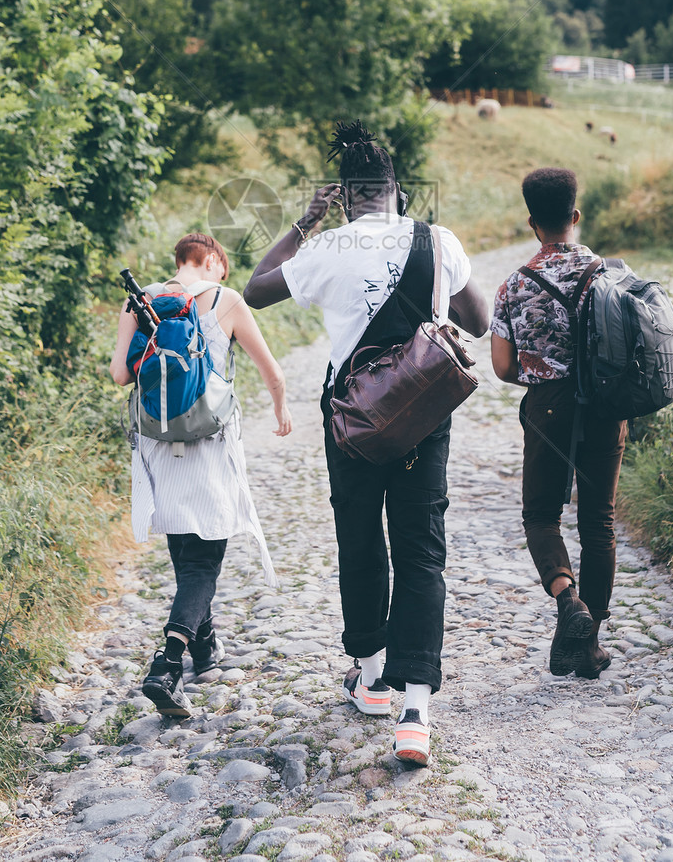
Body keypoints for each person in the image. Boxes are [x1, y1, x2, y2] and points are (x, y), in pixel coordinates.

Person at [244, 121, 488, 766]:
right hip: (424, 414)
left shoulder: (326, 245)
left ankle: (371, 676)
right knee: (421, 549)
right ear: (398, 191)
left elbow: (255, 290)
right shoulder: (438, 240)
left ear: (346, 196)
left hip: (351, 418)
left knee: (360, 536)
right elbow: (480, 321)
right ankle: (415, 712)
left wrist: (304, 221)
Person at [110, 232, 292, 716]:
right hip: (210, 442)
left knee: (185, 552)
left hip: (156, 441)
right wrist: (280, 409)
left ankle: (205, 647)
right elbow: (271, 371)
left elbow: (118, 375)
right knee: (204, 563)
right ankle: (168, 665)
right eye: (222, 267)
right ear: (211, 260)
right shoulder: (225, 299)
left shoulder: (141, 299)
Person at [490, 167, 626, 679]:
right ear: (575, 215)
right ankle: (589, 644)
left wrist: (542, 369)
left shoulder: (513, 286)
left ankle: (569, 601)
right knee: (599, 523)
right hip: (606, 406)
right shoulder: (612, 275)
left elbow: (503, 368)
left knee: (542, 516)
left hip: (548, 406)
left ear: (532, 222)